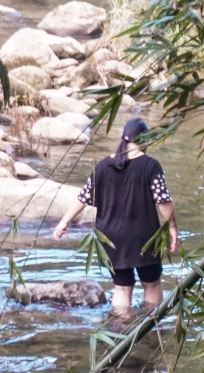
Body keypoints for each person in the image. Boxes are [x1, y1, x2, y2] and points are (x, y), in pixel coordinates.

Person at [52, 118, 179, 312]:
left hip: (110, 237)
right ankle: (151, 329)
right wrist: (172, 226)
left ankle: (121, 329)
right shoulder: (151, 166)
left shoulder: (103, 166)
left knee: (122, 287)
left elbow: (84, 196)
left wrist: (63, 223)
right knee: (151, 284)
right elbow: (163, 201)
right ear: (145, 139)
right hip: (143, 236)